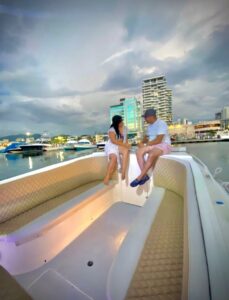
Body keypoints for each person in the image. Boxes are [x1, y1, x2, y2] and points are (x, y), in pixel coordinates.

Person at [130, 108, 172, 187]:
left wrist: (146, 145)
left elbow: (159, 140)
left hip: (164, 145)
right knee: (138, 152)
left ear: (150, 117)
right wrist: (141, 143)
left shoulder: (161, 123)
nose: (145, 119)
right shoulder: (149, 127)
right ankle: (145, 176)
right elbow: (146, 138)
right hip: (153, 145)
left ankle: (140, 177)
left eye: (145, 117)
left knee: (151, 155)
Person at [104, 115, 131, 185]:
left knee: (126, 151)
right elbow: (113, 141)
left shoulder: (125, 128)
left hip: (120, 145)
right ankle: (107, 177)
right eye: (120, 121)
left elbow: (126, 139)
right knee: (114, 158)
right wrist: (125, 145)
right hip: (112, 146)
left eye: (122, 120)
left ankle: (123, 171)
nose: (122, 122)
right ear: (116, 123)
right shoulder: (112, 130)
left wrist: (127, 146)